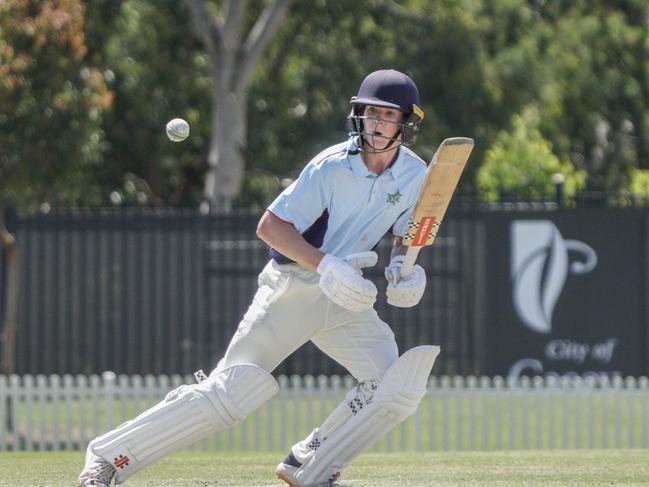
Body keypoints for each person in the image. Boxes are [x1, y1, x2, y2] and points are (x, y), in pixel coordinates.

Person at [78, 69, 440, 487]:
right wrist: (325, 265)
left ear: (405, 123)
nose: (376, 123)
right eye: (369, 112)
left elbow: (406, 233)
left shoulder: (415, 175)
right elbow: (271, 227)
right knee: (232, 392)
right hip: (293, 288)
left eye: (386, 115)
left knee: (394, 388)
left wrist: (404, 267)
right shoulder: (330, 168)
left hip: (348, 297)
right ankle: (108, 457)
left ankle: (312, 463)